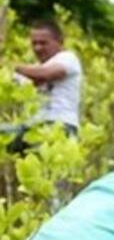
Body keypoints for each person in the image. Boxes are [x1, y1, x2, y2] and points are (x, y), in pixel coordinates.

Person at [3, 19, 83, 154]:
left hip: (60, 126)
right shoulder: (33, 69)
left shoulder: (67, 58)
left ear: (59, 42)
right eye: (34, 43)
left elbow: (46, 75)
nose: (37, 48)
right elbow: (11, 82)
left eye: (43, 43)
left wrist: (12, 66)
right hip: (33, 127)